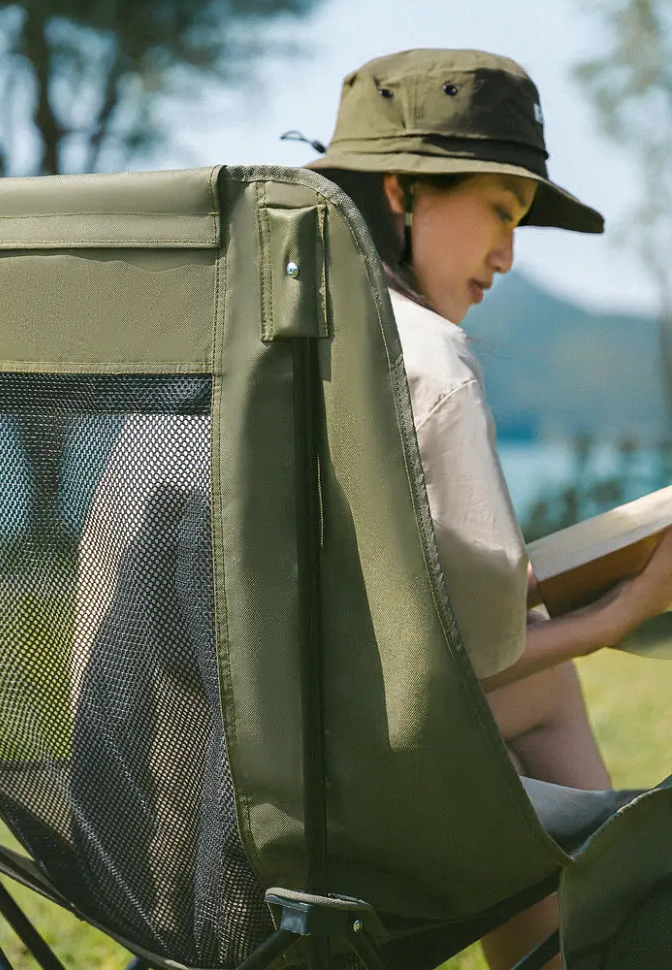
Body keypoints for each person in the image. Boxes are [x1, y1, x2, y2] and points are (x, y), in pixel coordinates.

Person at [301, 48, 672, 969]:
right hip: (312, 801)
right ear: (403, 192)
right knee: (544, 684)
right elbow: (462, 663)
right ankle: (583, 949)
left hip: (148, 797)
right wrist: (622, 609)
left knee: (521, 713)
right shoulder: (424, 359)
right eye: (500, 213)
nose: (507, 255)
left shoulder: (255, 336)